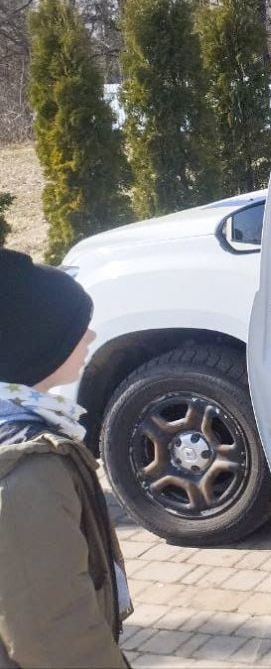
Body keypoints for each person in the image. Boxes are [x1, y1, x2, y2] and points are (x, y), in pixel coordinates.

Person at [0, 248, 130, 668]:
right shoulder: (27, 468)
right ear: (36, 345)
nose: (90, 336)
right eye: (76, 328)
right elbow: (54, 638)